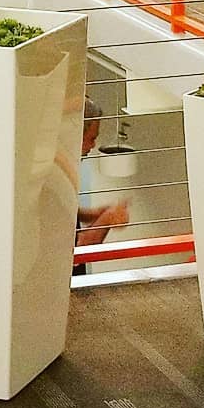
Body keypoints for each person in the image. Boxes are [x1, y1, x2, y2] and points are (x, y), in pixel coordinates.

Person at [74, 98, 130, 275]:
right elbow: (78, 250)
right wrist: (108, 218)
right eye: (91, 139)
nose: (93, 145)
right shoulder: (54, 177)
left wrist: (92, 214)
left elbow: (63, 213)